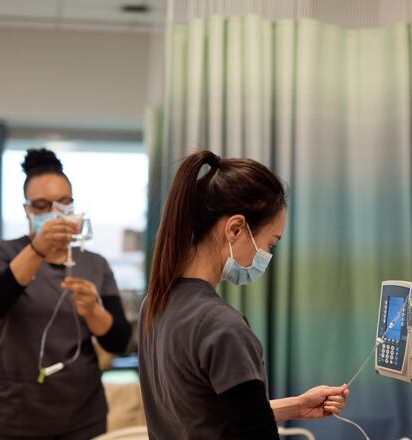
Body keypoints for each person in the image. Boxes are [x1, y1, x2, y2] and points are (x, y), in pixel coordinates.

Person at [138, 150, 349, 440]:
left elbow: (206, 413)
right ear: (236, 229)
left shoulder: (154, 302)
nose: (266, 255)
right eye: (270, 244)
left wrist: (296, 406)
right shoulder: (222, 326)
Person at [0, 148, 132, 439]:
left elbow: (119, 341)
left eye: (62, 203)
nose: (54, 213)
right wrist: (37, 250)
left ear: (73, 205)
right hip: (11, 414)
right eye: (42, 206)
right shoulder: (2, 254)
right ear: (28, 210)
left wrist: (94, 312)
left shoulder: (94, 264)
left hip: (81, 414)